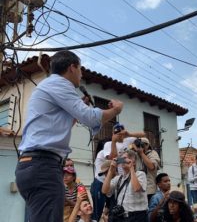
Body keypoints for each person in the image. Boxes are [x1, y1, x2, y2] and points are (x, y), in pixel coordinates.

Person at [15, 50, 123, 222]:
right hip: (43, 165)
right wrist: (116, 110)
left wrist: (77, 110)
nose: (81, 74)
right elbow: (89, 117)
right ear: (72, 67)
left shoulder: (50, 85)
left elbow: (60, 125)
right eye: (80, 69)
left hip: (34, 165)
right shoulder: (60, 84)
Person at [102, 149, 148, 221]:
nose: (123, 161)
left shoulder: (140, 174)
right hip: (122, 216)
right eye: (122, 158)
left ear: (134, 161)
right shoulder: (119, 178)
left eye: (125, 158)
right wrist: (111, 170)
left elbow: (136, 188)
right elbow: (104, 190)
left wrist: (131, 168)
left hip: (138, 216)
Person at [131, 137, 161, 201]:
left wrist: (142, 153)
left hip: (149, 190)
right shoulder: (136, 154)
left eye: (142, 145)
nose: (140, 147)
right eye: (138, 145)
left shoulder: (153, 153)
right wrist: (132, 148)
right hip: (137, 188)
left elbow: (152, 166)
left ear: (147, 145)